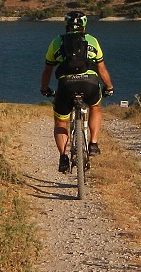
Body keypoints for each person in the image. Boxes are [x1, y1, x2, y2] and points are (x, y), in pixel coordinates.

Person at [39, 11, 115, 172]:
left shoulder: (57, 42)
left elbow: (47, 70)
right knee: (95, 107)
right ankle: (93, 143)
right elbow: (101, 69)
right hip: (90, 84)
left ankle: (63, 156)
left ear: (66, 26)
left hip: (66, 86)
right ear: (84, 26)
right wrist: (109, 87)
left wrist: (45, 89)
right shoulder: (92, 40)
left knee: (60, 122)